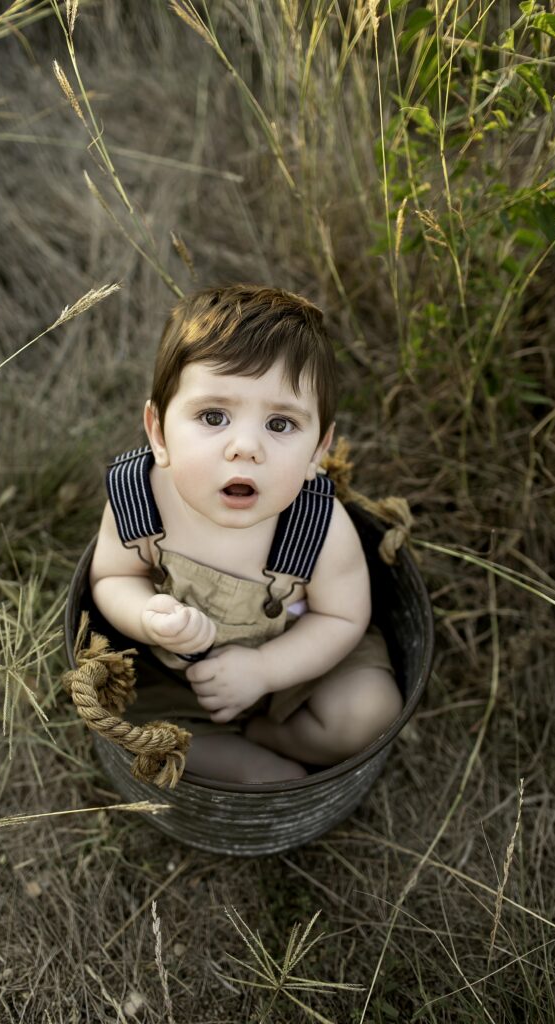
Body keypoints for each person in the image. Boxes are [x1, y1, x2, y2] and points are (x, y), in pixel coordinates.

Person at [90, 285, 402, 784]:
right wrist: (146, 615)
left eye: (281, 423)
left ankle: (275, 735)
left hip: (298, 666)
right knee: (140, 724)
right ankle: (255, 768)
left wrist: (264, 671)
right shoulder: (139, 497)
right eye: (213, 417)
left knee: (370, 710)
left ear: (318, 451)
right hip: (181, 678)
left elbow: (343, 617)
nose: (246, 446)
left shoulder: (318, 524)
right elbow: (109, 576)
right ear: (159, 432)